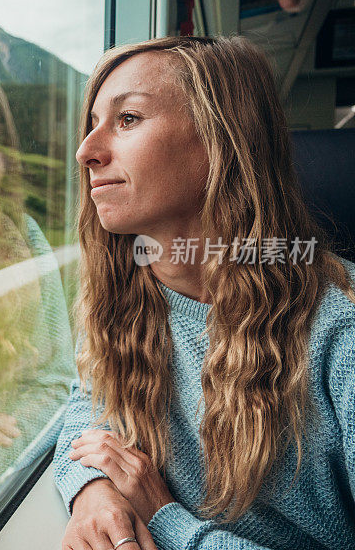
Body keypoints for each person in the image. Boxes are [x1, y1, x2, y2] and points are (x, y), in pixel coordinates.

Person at [53, 35, 355, 550]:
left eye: (128, 119)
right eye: (92, 125)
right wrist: (94, 491)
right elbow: (90, 403)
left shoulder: (340, 330)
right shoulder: (128, 298)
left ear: (221, 141)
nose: (86, 151)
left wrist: (169, 521)